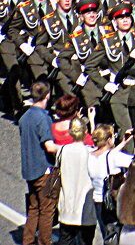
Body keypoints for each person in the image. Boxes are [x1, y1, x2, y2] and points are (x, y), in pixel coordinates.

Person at [88, 124, 135, 243]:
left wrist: (123, 142)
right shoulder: (114, 157)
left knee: (108, 234)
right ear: (109, 139)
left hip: (99, 200)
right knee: (117, 234)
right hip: (114, 201)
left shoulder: (90, 155)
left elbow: (106, 155)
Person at [20, 81, 59, 245]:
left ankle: (28, 241)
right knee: (47, 210)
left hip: (29, 169)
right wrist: (65, 148)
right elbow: (49, 147)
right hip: (44, 170)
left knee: (34, 208)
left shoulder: (25, 117)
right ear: (47, 96)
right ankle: (45, 242)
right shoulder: (43, 118)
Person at [56, 117, 95, 245]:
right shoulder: (91, 153)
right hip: (86, 210)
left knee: (65, 240)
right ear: (85, 132)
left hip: (67, 207)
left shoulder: (62, 151)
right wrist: (92, 121)